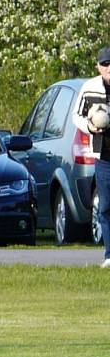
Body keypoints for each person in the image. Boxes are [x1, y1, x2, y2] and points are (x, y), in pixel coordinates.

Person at [72, 47, 110, 267]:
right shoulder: (90, 88)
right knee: (106, 205)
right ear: (98, 66)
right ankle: (109, 254)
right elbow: (76, 116)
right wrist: (89, 125)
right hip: (103, 156)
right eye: (105, 64)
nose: (109, 68)